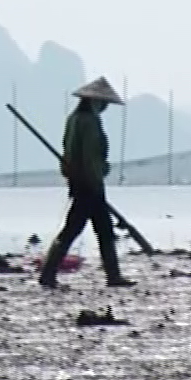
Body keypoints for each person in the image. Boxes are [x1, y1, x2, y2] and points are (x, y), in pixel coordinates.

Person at [37, 77, 130, 289]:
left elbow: (68, 153)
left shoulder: (74, 119)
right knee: (76, 229)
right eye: (103, 103)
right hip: (90, 183)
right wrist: (96, 181)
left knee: (99, 228)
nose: (105, 107)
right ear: (95, 102)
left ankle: (112, 275)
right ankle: (48, 274)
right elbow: (90, 157)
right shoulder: (89, 122)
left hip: (79, 181)